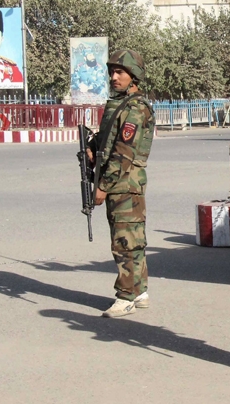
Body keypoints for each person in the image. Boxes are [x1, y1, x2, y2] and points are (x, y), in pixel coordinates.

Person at [89, 49, 155, 318]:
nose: (114, 77)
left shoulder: (136, 109)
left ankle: (125, 296)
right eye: (112, 73)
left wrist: (103, 185)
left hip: (124, 184)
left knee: (125, 242)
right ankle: (139, 291)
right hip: (122, 183)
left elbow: (124, 152)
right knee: (132, 239)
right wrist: (93, 146)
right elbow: (110, 139)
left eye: (120, 73)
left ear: (134, 76)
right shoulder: (121, 104)